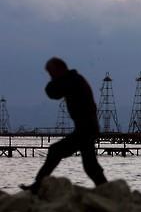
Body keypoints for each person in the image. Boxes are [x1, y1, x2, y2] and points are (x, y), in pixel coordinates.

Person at [21, 58, 107, 193]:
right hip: (87, 128)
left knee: (56, 151)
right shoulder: (74, 79)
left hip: (86, 129)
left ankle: (37, 186)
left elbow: (53, 92)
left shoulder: (73, 81)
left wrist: (53, 82)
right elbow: (54, 92)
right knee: (90, 164)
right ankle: (105, 188)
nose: (51, 76)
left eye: (51, 73)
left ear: (59, 70)